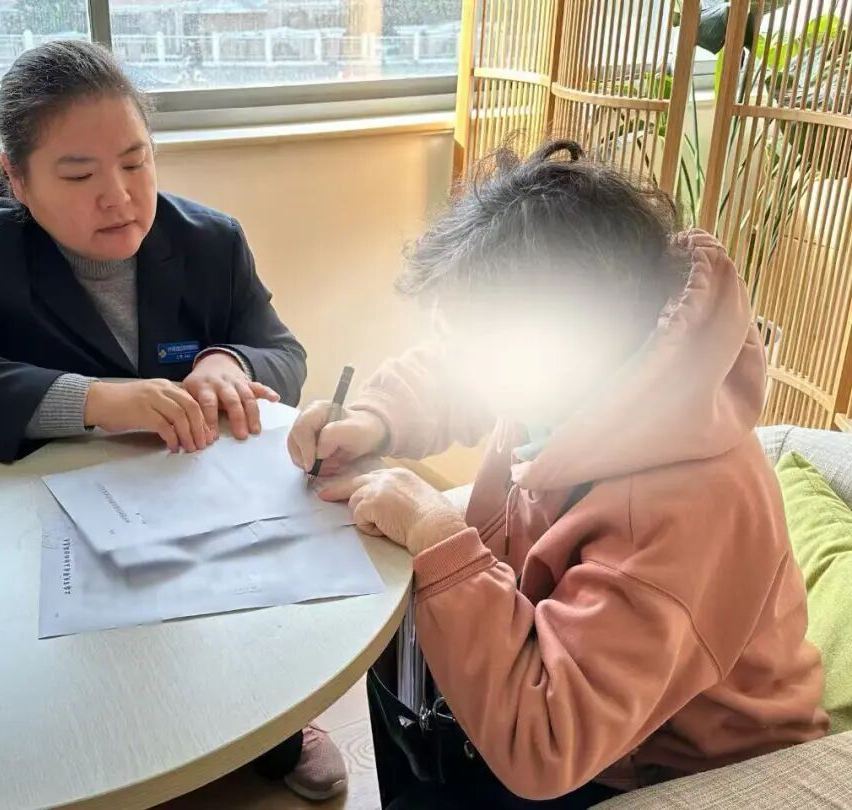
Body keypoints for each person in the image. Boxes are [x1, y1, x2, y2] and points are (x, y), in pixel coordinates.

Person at [0, 40, 345, 801]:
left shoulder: (208, 242)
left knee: (248, 637)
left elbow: (281, 350)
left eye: (135, 162)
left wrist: (229, 362)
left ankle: (275, 726)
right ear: (18, 179)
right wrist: (92, 399)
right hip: (37, 538)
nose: (118, 196)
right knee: (74, 726)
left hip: (192, 515)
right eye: (78, 174)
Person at [288, 140, 829, 809]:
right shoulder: (600, 362)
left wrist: (435, 532)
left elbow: (547, 743)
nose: (469, 367)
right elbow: (452, 373)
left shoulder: (682, 508)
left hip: (678, 767)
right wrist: (374, 419)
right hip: (595, 702)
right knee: (400, 665)